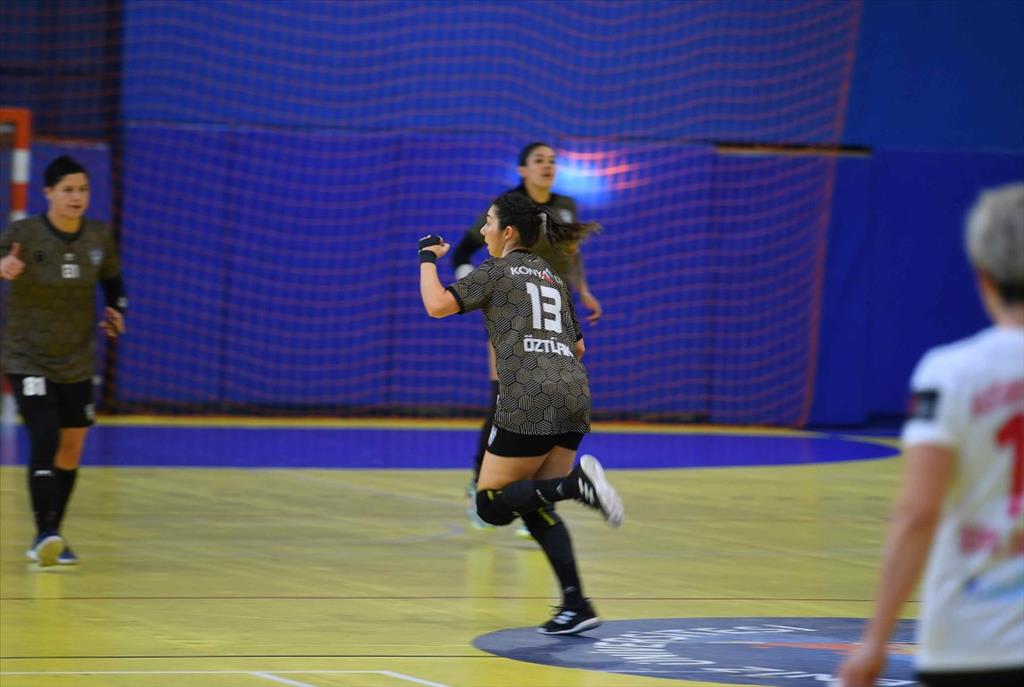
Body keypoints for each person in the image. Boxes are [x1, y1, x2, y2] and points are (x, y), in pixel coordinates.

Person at [837, 183, 1024, 686]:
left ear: (983, 275)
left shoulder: (950, 373)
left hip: (970, 641)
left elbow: (918, 511)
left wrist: (876, 640)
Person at [418, 191, 624, 634]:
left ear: (508, 232)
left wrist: (426, 259)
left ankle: (576, 484)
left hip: (530, 395)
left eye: (490, 222)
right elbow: (579, 347)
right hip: (574, 392)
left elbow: (436, 305)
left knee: (491, 504)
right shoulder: (552, 278)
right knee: (534, 501)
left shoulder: (497, 271)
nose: (484, 230)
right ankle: (577, 604)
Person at [451, 142, 603, 532]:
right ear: (522, 170)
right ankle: (480, 482)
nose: (547, 166)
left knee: (550, 398)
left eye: (552, 161)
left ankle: (532, 495)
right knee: (504, 399)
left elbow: (571, 252)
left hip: (553, 316)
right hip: (514, 317)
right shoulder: (508, 207)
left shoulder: (564, 205)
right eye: (539, 160)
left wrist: (583, 291)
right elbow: (464, 250)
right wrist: (470, 285)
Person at [0, 155, 127, 567]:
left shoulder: (98, 237)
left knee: (71, 448)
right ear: (49, 193)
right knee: (45, 436)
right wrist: (3, 265)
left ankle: (54, 531)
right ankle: (44, 533)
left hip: (76, 357)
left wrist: (117, 310)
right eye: (68, 190)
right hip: (27, 355)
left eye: (83, 189)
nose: (77, 197)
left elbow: (113, 283)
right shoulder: (24, 233)